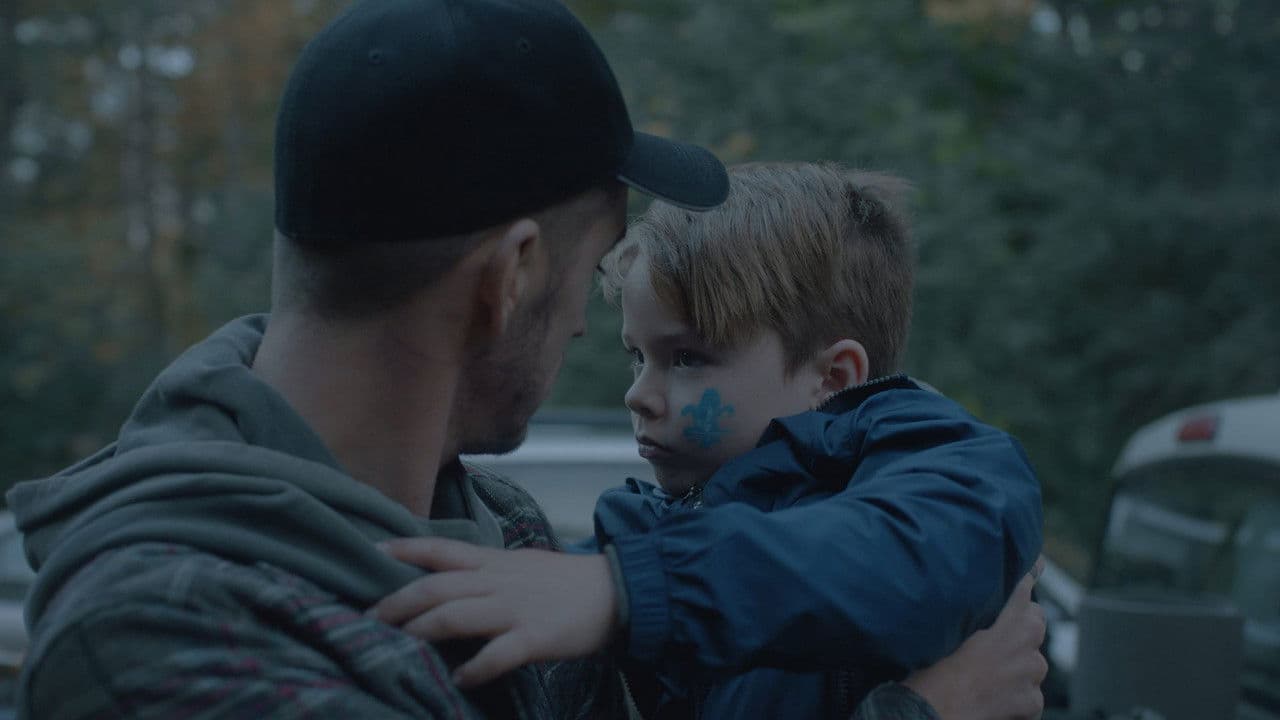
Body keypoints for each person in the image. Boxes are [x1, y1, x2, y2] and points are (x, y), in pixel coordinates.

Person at [5, 0, 729, 718]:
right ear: (510, 276)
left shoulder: (507, 528)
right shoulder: (159, 643)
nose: (578, 326)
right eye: (592, 266)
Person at [372, 163, 1047, 719]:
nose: (640, 394)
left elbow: (909, 554)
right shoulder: (647, 532)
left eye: (688, 359)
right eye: (638, 357)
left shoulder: (942, 464)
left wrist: (622, 592)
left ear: (833, 378)